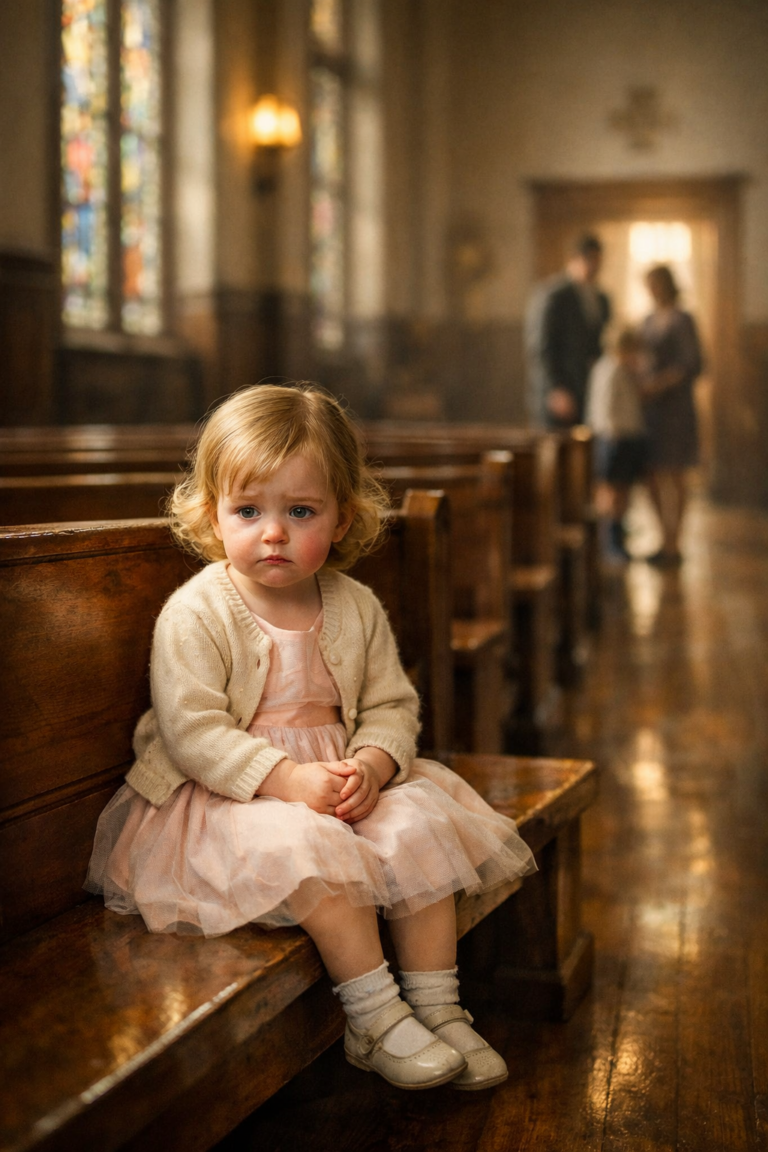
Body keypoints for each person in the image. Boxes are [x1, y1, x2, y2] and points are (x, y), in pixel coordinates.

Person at [85, 383, 536, 1093]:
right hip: (228, 801)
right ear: (212, 515)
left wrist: (375, 763)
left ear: (342, 515)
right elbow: (193, 732)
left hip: (340, 781)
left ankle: (439, 1009)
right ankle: (374, 1018)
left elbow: (392, 705)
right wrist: (285, 781)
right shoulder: (198, 610)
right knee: (310, 847)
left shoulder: (354, 606)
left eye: (301, 511)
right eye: (248, 510)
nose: (274, 532)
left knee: (419, 822)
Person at [640, 265, 703, 565]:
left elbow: (693, 363)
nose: (652, 290)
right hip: (651, 409)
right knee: (650, 473)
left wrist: (661, 383)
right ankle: (663, 535)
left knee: (675, 472)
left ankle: (674, 543)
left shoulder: (682, 319)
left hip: (676, 408)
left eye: (656, 284)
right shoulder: (648, 320)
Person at [526, 233, 611, 428]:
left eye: (597, 261)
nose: (593, 268)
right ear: (574, 259)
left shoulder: (600, 299)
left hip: (587, 391)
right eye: (588, 260)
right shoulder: (553, 295)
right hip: (559, 392)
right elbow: (541, 346)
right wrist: (556, 388)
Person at [585, 328, 649, 562]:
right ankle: (609, 539)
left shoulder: (623, 369)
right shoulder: (608, 369)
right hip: (614, 437)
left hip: (627, 435)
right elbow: (605, 405)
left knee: (623, 487)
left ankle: (618, 534)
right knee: (610, 488)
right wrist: (612, 432)